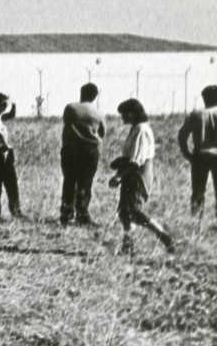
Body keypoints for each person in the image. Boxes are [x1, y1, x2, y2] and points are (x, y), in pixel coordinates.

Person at [109, 99, 174, 254]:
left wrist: (119, 176)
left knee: (133, 211)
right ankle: (128, 244)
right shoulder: (135, 129)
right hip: (130, 174)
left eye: (124, 114)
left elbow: (136, 161)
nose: (122, 117)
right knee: (124, 211)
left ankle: (162, 235)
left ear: (132, 113)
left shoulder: (141, 130)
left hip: (137, 175)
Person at [60, 83, 105, 225]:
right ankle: (82, 214)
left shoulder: (71, 108)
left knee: (69, 181)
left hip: (71, 149)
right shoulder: (99, 112)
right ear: (95, 96)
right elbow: (102, 132)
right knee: (85, 183)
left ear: (81, 93)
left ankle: (66, 214)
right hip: (90, 150)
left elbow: (67, 123)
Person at [178, 85, 217, 218]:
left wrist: (187, 153)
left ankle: (196, 222)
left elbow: (182, 135)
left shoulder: (196, 114)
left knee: (198, 192)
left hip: (199, 156)